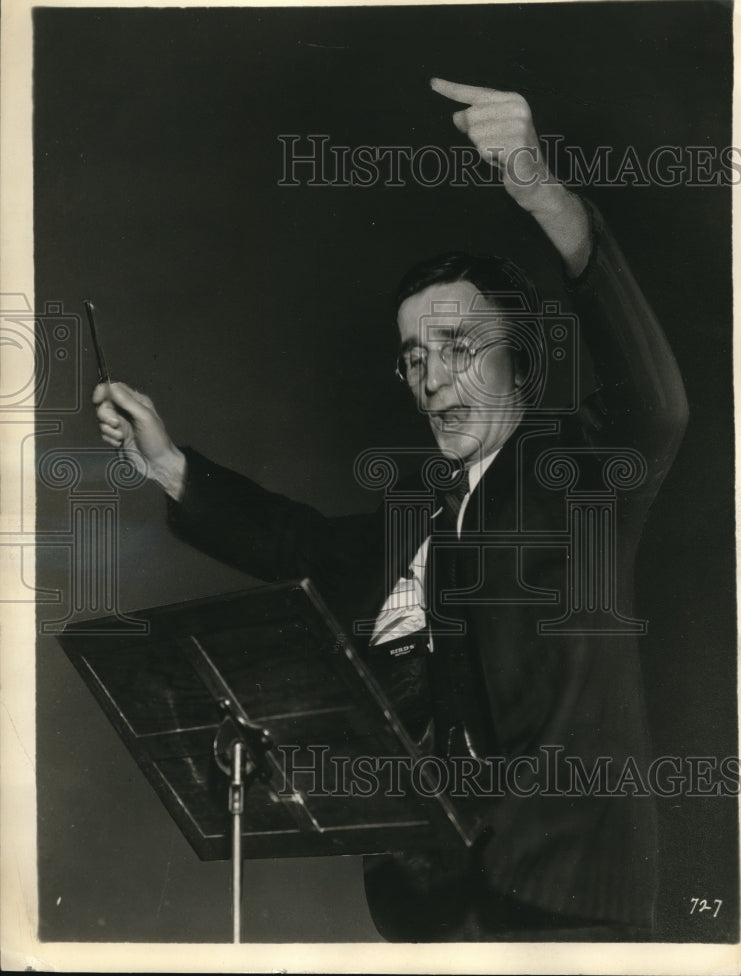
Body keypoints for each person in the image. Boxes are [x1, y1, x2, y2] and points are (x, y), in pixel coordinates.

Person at [93, 79, 688, 942]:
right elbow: (297, 542)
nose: (432, 379)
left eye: (457, 348)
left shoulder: (575, 475)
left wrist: (539, 191)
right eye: (413, 358)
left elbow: (655, 404)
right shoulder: (420, 527)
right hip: (429, 910)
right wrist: (169, 465)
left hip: (560, 902)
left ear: (519, 362)